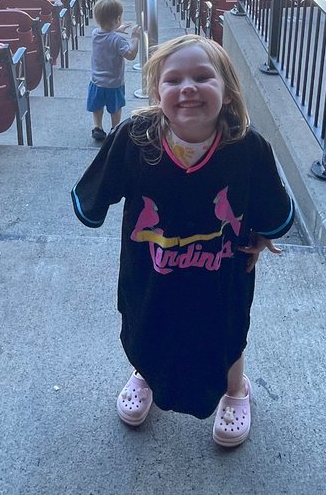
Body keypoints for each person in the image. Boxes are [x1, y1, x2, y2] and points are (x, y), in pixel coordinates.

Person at [72, 34, 294, 446]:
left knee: (226, 334)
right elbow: (95, 193)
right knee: (147, 326)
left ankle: (235, 390)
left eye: (202, 76)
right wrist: (95, 208)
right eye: (173, 80)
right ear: (157, 91)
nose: (187, 87)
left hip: (222, 273)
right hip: (150, 271)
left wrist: (263, 237)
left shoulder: (248, 148)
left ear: (227, 91)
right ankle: (145, 372)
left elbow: (270, 203)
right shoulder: (135, 138)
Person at [86, 0, 140, 143]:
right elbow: (130, 55)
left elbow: (106, 33)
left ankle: (97, 127)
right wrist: (135, 39)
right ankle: (115, 129)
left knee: (97, 106)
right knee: (115, 108)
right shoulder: (118, 40)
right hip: (114, 83)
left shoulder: (95, 34)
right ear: (118, 18)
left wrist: (116, 29)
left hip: (96, 81)